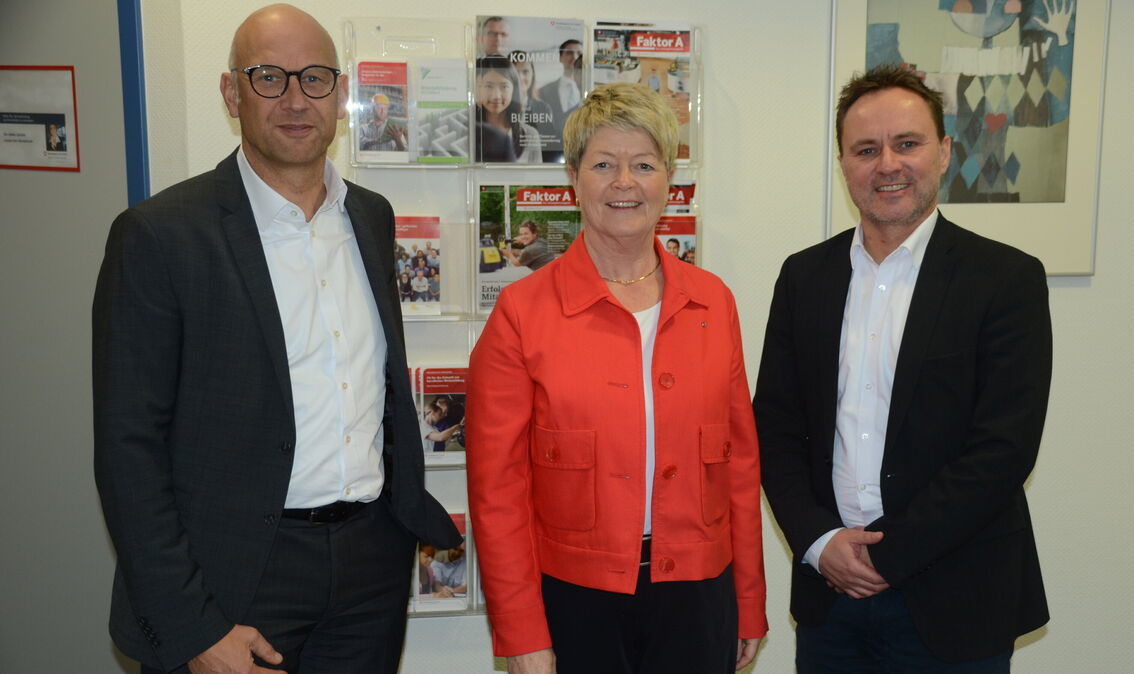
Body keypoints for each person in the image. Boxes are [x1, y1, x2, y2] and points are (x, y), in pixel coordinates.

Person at [92, 5, 460, 673]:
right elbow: (127, 450)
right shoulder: (160, 236)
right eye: (269, 77)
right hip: (234, 577)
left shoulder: (370, 218)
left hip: (368, 569)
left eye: (314, 78)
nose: (295, 99)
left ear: (340, 93)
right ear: (232, 93)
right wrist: (193, 627)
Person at [754, 64, 1052, 672]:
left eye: (907, 143)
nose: (887, 163)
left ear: (944, 152)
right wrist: (817, 543)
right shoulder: (803, 277)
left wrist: (883, 558)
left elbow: (1003, 449)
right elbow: (775, 428)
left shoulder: (1006, 279)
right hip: (829, 600)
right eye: (866, 149)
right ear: (843, 164)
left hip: (956, 601)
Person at [467, 81, 767, 674]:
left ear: (669, 179)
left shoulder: (714, 303)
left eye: (644, 165)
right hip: (575, 597)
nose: (624, 182)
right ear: (574, 180)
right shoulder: (522, 314)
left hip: (699, 591)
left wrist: (749, 604)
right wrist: (522, 631)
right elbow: (497, 490)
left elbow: (739, 467)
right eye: (604, 164)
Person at [474, 56, 542, 163]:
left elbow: (536, 178)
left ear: (513, 91)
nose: (496, 95)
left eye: (504, 87)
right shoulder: (468, 132)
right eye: (488, 86)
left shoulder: (530, 135)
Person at [509, 50, 561, 162]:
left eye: (525, 72)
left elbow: (550, 148)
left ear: (532, 75)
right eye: (515, 72)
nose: (520, 77)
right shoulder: (500, 106)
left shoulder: (543, 108)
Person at [537, 39, 583, 157]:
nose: (575, 57)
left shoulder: (591, 91)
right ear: (560, 58)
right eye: (569, 53)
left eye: (579, 53)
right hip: (549, 154)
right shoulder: (543, 91)